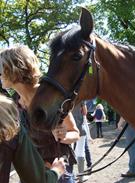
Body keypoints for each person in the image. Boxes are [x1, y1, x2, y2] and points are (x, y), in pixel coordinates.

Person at [0, 45, 80, 183]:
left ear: (14, 68)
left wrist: (64, 135)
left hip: (59, 175)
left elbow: (75, 133)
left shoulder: (50, 96)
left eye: (0, 69)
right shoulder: (11, 104)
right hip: (31, 176)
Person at [0, 93, 66, 183]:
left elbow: (73, 132)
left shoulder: (50, 99)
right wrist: (56, 171)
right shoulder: (7, 112)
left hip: (48, 161)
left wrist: (62, 136)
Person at [72, 101, 89, 183]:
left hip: (69, 129)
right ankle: (81, 178)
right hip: (80, 129)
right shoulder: (82, 98)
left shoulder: (65, 95)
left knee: (69, 152)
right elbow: (85, 112)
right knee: (80, 152)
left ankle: (70, 176)